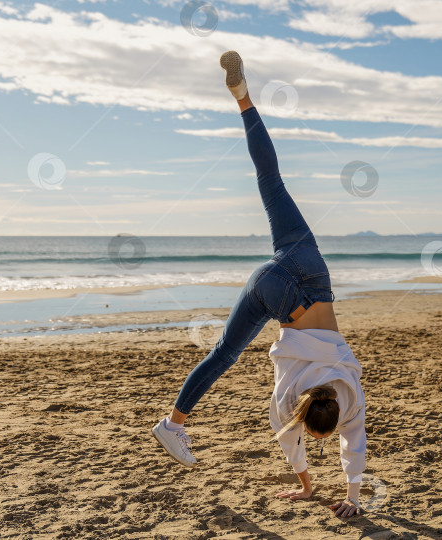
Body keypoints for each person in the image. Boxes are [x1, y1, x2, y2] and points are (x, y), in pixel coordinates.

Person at [152, 51, 366, 518]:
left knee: (269, 178)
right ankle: (172, 423)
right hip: (275, 291)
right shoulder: (290, 398)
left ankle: (243, 98)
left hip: (310, 267)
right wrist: (314, 489)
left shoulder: (350, 391)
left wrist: (349, 494)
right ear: (308, 419)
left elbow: (355, 449)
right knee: (224, 354)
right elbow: (288, 437)